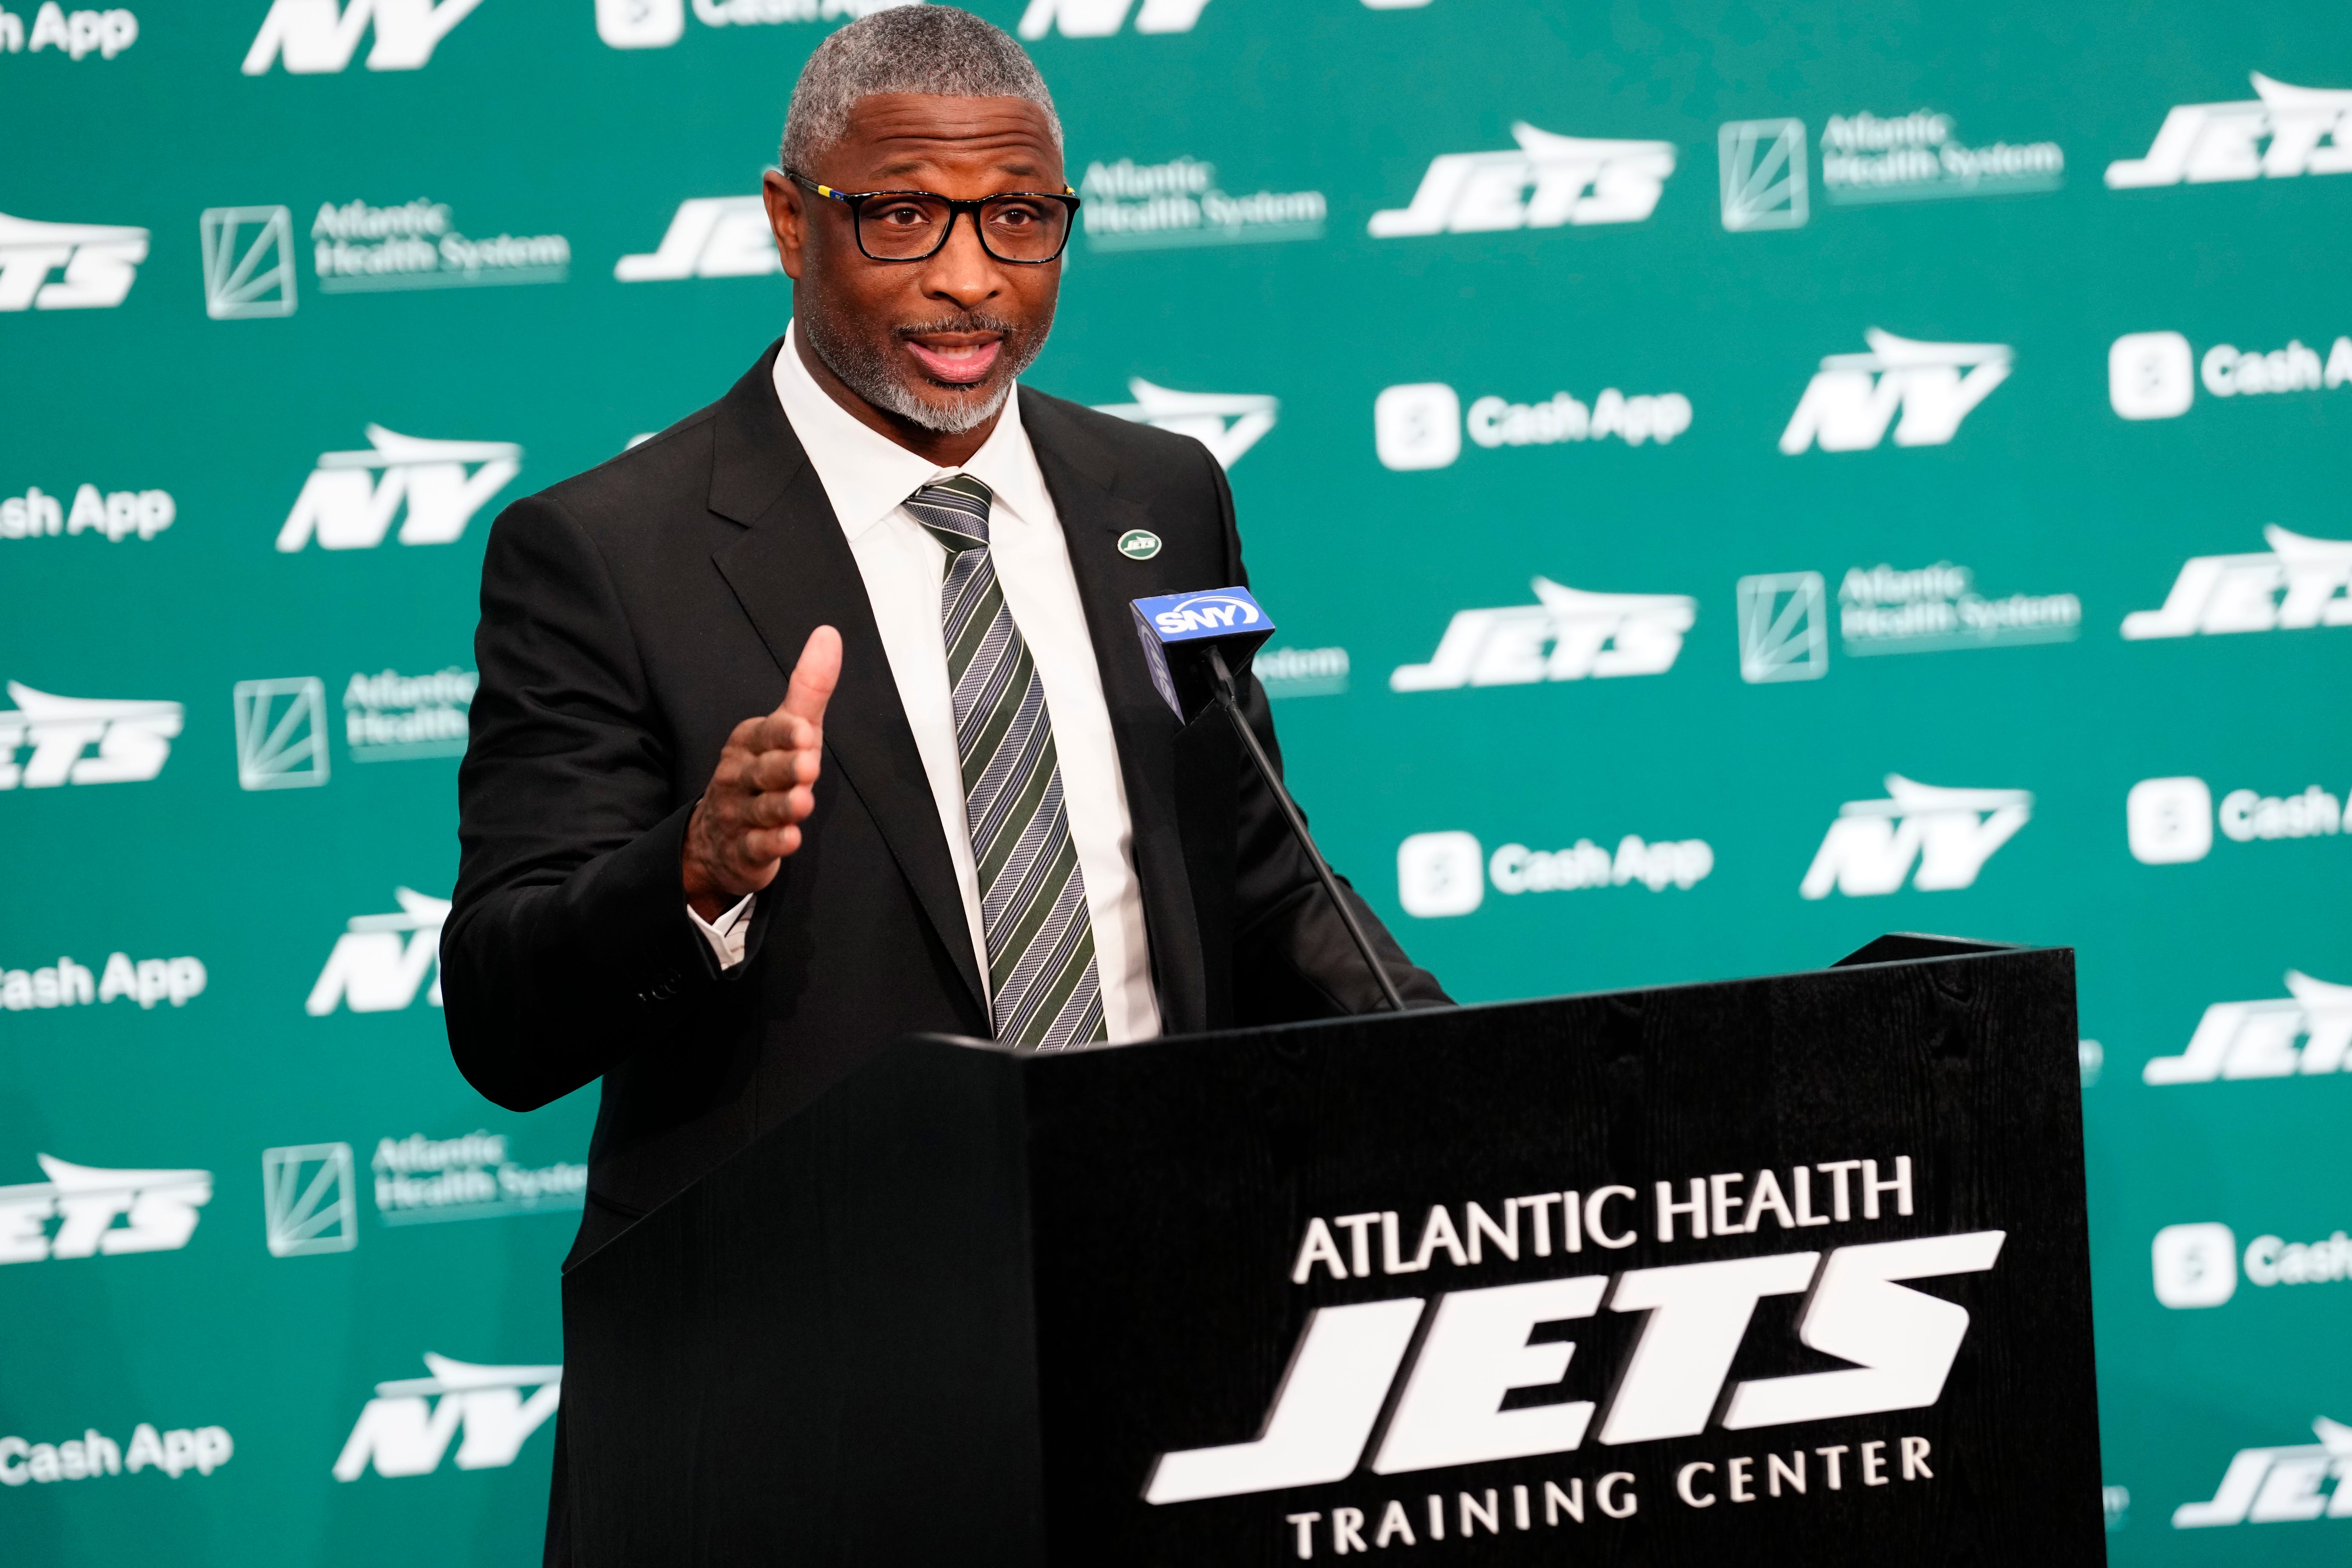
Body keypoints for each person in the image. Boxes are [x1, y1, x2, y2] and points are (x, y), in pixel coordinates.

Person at [441, 8, 1448, 1552]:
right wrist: (695, 872)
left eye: (1020, 219)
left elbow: (1252, 866)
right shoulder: (606, 553)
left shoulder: (1157, 497)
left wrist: (1477, 1078)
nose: (971, 278)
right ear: (792, 220)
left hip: (1164, 1308)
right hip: (797, 1371)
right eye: (904, 213)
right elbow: (501, 1015)